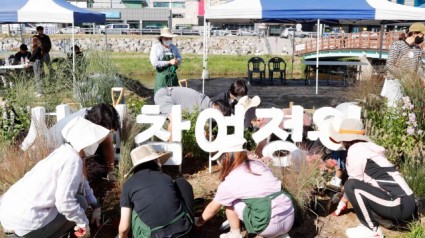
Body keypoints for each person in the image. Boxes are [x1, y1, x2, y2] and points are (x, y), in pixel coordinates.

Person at [0, 117, 110, 238]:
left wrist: (96, 206)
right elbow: (65, 203)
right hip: (26, 224)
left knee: (79, 200)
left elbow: (82, 182)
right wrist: (84, 224)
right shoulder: (73, 160)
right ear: (86, 142)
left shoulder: (63, 153)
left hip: (9, 215)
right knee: (80, 202)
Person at [325, 118, 416, 238]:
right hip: (406, 202)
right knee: (355, 189)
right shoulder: (366, 148)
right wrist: (345, 200)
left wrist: (342, 202)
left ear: (346, 139)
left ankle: (372, 230)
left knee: (350, 185)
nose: (341, 143)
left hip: (399, 204)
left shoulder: (356, 149)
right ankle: (385, 221)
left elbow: (354, 183)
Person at [195, 136, 295, 238]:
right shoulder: (259, 164)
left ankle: (235, 234)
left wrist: (198, 223)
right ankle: (279, 234)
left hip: (267, 224)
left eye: (220, 158)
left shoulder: (231, 181)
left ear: (226, 156)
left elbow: (212, 208)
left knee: (229, 201)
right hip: (289, 217)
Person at [118, 144, 194, 238]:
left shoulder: (128, 185)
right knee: (181, 183)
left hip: (155, 235)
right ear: (155, 160)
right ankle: (193, 224)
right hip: (184, 231)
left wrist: (122, 236)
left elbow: (124, 227)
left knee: (134, 208)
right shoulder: (166, 177)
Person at [49, 103, 121, 182]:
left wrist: (111, 171)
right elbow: (79, 158)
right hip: (55, 149)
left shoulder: (98, 115)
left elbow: (107, 143)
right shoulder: (81, 127)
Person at [154, 86, 231, 140]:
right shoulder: (202, 106)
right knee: (176, 120)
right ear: (216, 106)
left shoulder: (208, 106)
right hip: (165, 95)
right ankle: (171, 151)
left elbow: (207, 130)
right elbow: (201, 128)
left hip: (172, 98)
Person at [383, 22, 425, 107]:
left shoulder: (417, 49)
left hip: (409, 84)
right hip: (394, 82)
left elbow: (419, 67)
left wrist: (423, 78)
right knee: (393, 109)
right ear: (414, 33)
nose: (423, 38)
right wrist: (402, 76)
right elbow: (389, 64)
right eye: (422, 35)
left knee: (406, 111)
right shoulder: (397, 45)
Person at [150, 27, 182, 93]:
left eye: (170, 38)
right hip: (162, 78)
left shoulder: (174, 47)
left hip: (173, 78)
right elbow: (155, 62)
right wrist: (169, 62)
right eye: (166, 38)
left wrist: (177, 61)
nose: (168, 40)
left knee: (175, 96)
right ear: (161, 38)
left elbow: (179, 58)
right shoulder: (156, 48)